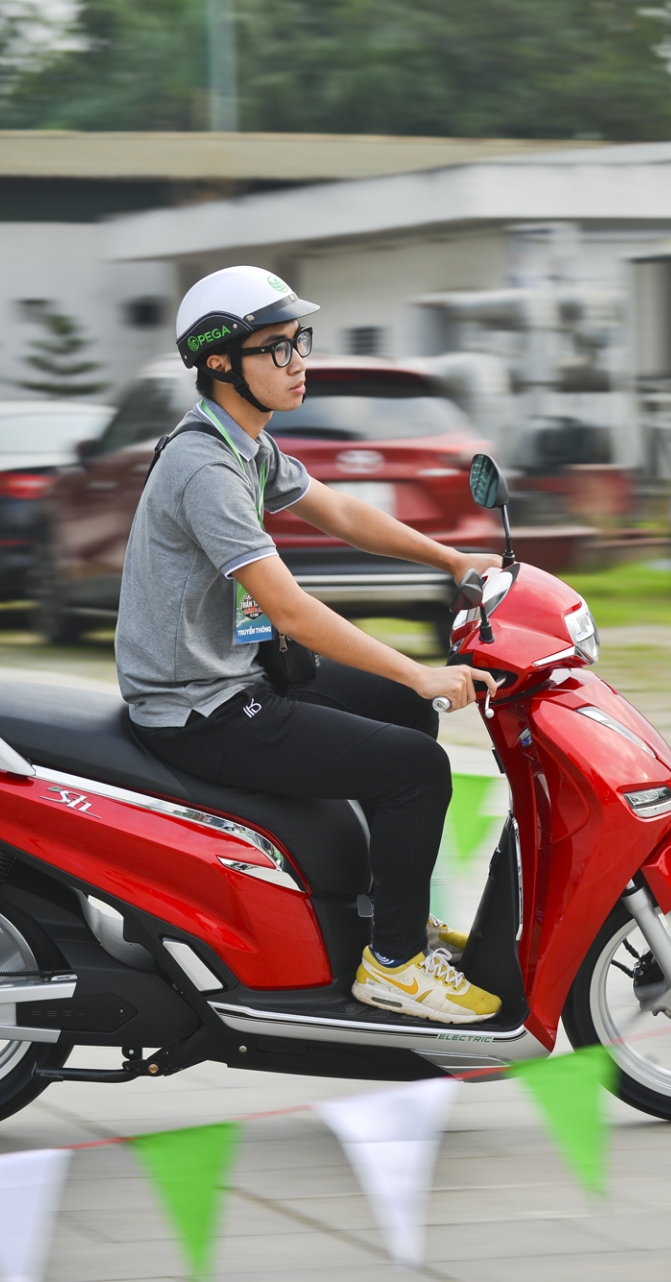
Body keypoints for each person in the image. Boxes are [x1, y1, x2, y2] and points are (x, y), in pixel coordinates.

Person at [116, 265, 504, 1025]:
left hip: (235, 678)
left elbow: (343, 514)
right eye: (277, 349)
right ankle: (392, 965)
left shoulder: (244, 446)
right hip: (202, 708)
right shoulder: (205, 468)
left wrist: (455, 562)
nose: (300, 363)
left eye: (300, 342)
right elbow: (291, 613)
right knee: (416, 768)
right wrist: (422, 672)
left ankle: (379, 917)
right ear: (221, 362)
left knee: (399, 713)